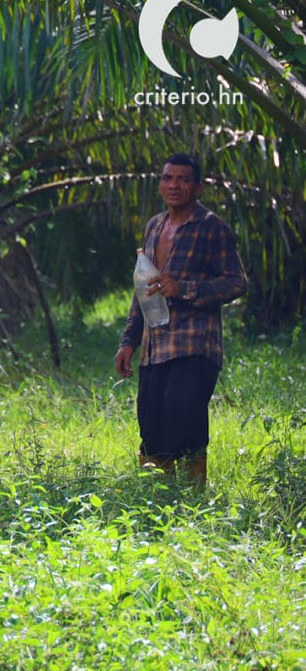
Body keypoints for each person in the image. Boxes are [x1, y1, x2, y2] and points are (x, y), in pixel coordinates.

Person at [115, 153, 247, 486]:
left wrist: (183, 288)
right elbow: (142, 288)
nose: (174, 185)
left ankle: (191, 502)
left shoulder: (211, 227)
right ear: (160, 184)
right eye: (168, 178)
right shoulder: (154, 226)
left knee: (183, 422)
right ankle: (157, 499)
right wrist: (129, 340)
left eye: (183, 179)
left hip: (194, 345)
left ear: (198, 187)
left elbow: (236, 281)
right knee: (151, 425)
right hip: (154, 346)